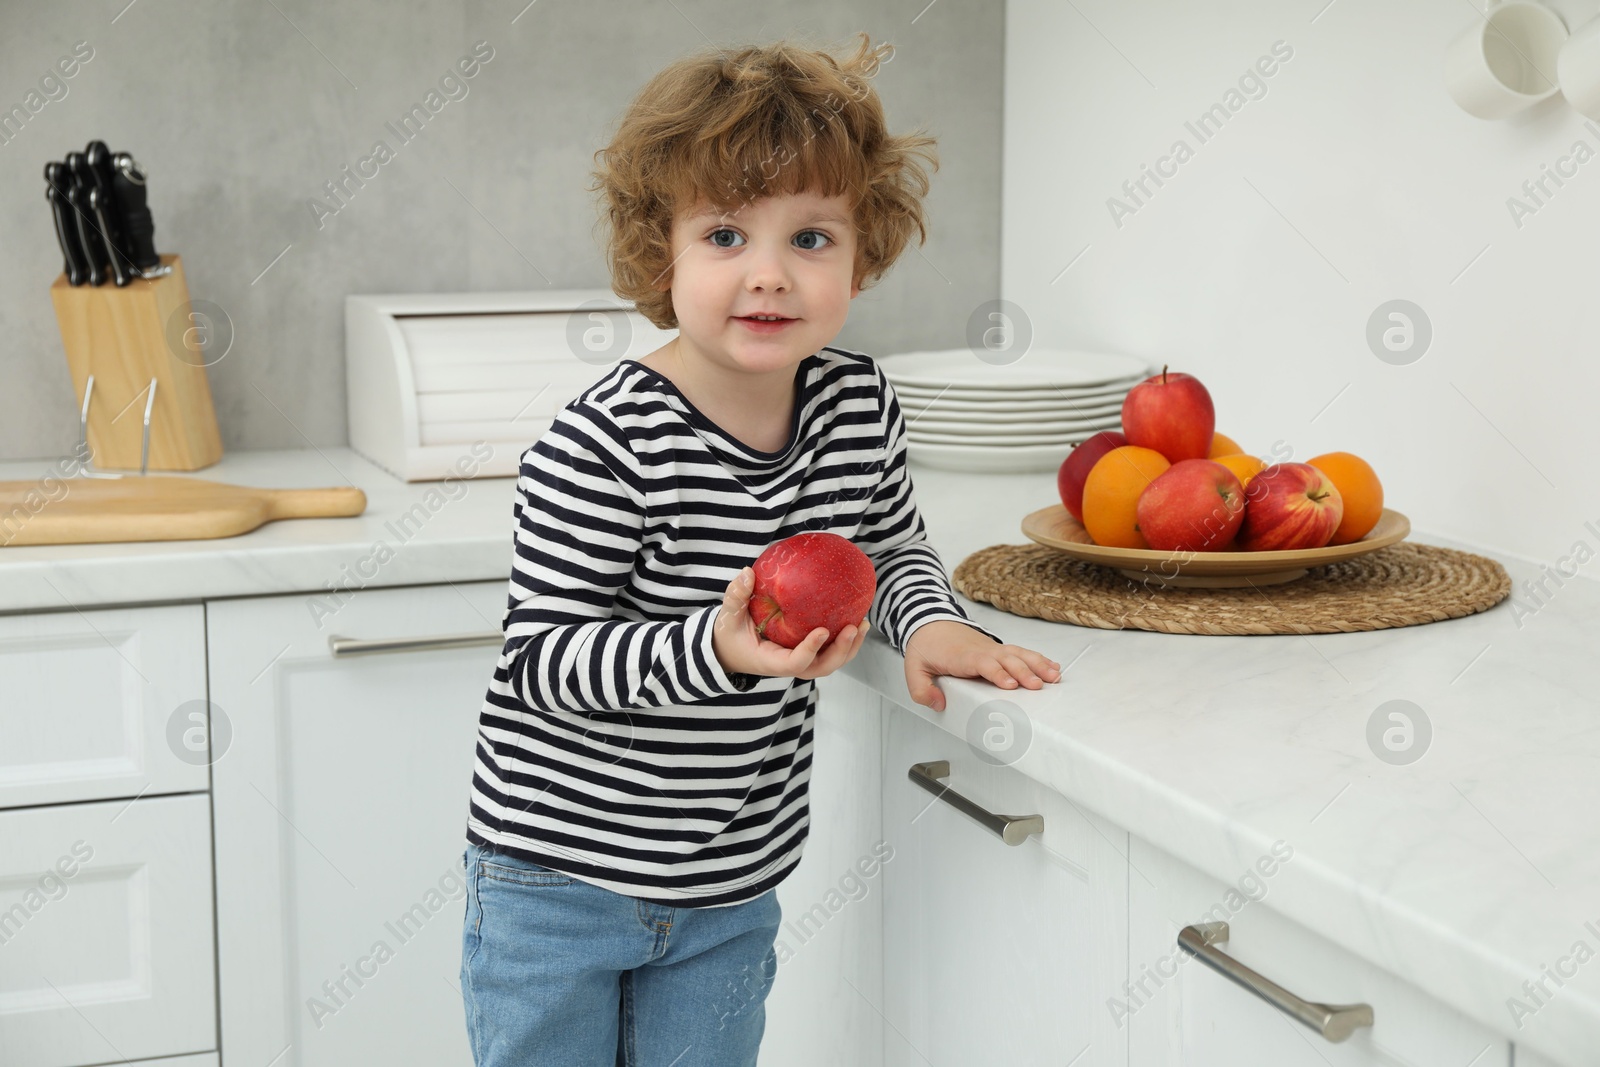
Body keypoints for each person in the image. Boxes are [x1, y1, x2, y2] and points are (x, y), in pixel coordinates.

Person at [459, 31, 1062, 1067]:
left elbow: (891, 539)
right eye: (727, 235)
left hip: (732, 882)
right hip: (556, 881)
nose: (770, 275)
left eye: (813, 238)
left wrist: (931, 620)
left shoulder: (858, 404)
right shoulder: (604, 440)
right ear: (664, 256)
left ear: (862, 252)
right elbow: (541, 658)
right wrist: (719, 647)